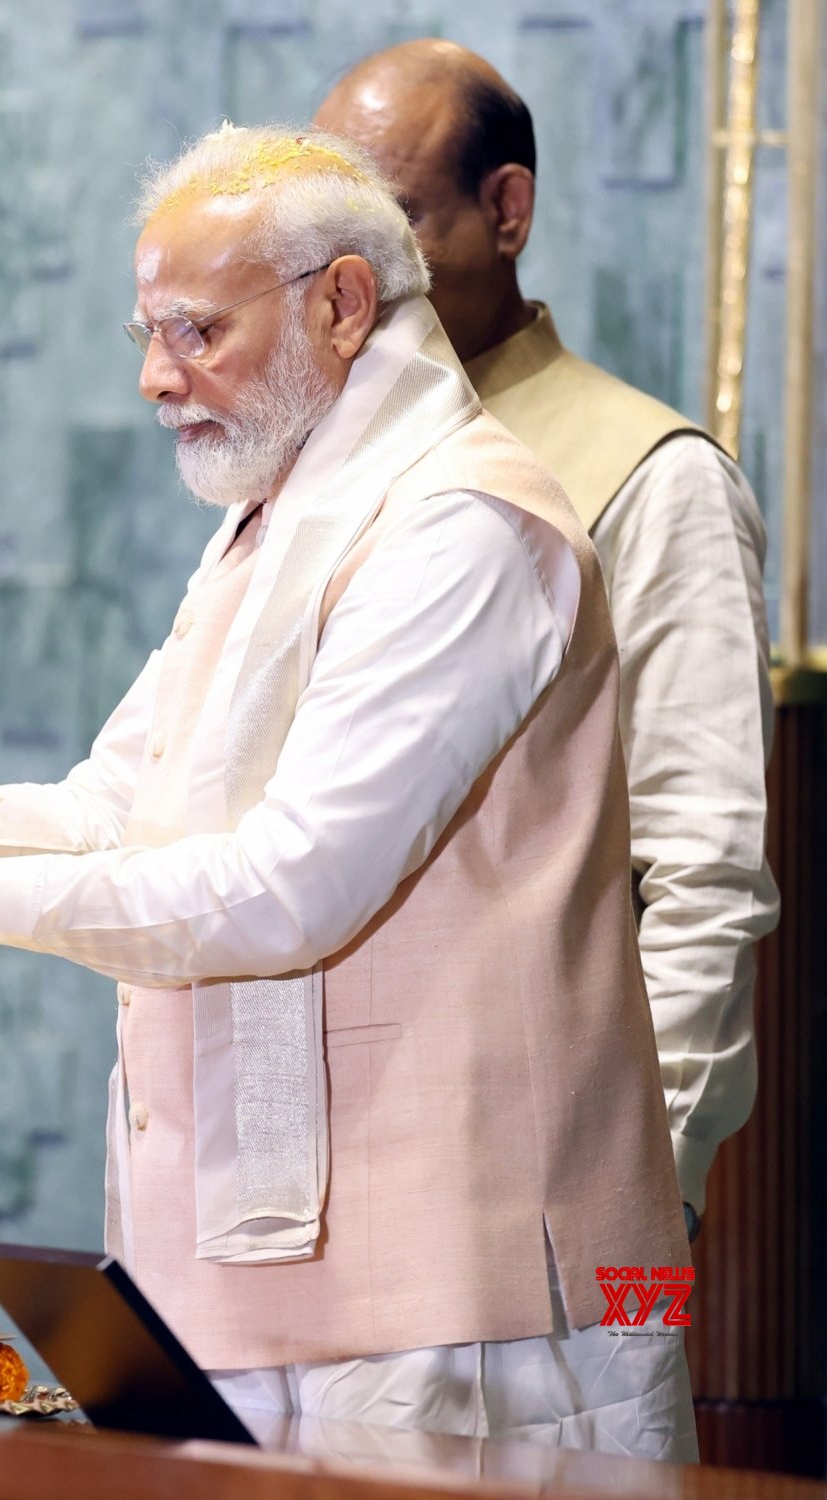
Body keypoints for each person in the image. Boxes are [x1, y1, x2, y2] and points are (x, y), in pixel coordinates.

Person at [0, 125, 696, 1459]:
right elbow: (120, 805)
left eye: (193, 331)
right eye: (145, 336)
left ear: (343, 305)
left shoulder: (462, 523)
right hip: (263, 1287)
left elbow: (292, 888)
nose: (158, 379)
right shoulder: (272, 528)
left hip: (466, 1294)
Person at [315, 41, 779, 1243]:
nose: (348, 276)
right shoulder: (312, 478)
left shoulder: (653, 476)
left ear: (504, 209)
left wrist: (651, 1203)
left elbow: (702, 868)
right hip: (340, 1160)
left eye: (392, 221)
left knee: (595, 1436)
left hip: (572, 1178)